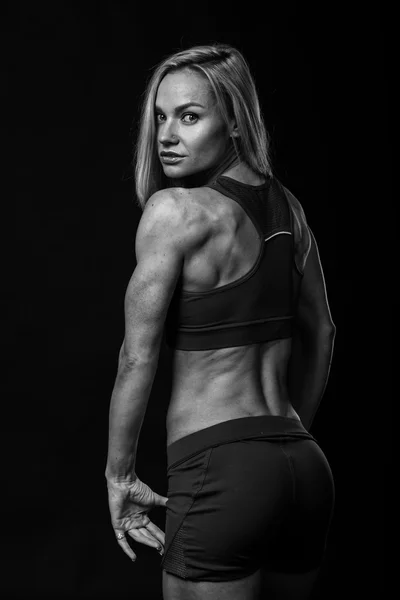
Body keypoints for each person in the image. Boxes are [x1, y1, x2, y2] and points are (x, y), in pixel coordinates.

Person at [105, 43, 336, 600]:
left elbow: (137, 355)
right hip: (304, 468)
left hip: (220, 468)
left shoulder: (176, 212)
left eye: (189, 116)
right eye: (160, 117)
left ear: (233, 119)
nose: (166, 136)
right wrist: (283, 439)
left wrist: (120, 476)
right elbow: (324, 332)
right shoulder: (290, 208)